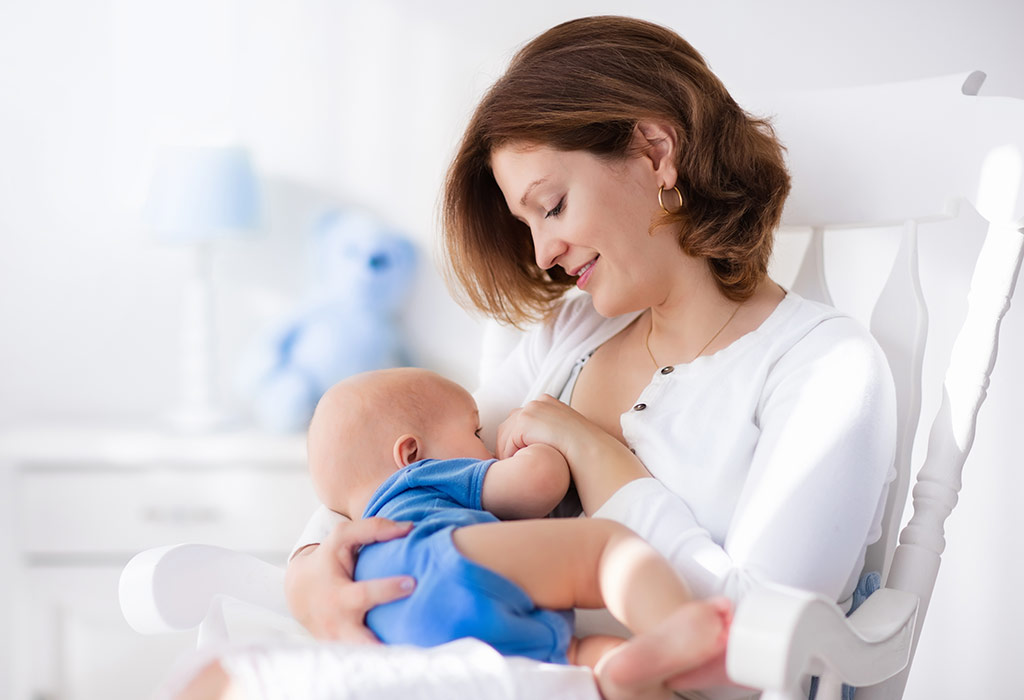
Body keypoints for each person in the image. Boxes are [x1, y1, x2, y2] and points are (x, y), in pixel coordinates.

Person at [282, 14, 897, 697]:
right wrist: (311, 570)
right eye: (527, 225)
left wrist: (598, 457)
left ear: (657, 152)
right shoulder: (567, 336)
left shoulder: (824, 369)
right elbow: (405, 469)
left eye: (552, 206)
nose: (543, 255)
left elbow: (759, 650)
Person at [306, 366, 730, 698]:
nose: (486, 445)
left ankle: (617, 672)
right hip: (441, 560)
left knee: (574, 658)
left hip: (394, 628)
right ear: (410, 453)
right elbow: (540, 482)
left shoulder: (355, 544)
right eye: (475, 432)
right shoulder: (421, 478)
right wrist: (537, 445)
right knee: (603, 550)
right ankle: (679, 628)